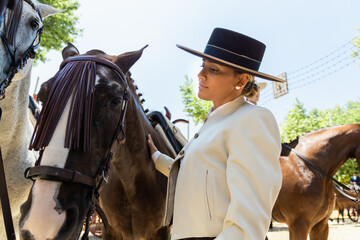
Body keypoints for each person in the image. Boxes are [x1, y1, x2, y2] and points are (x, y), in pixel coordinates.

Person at [147, 28, 284, 240]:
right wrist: (155, 155)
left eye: (213, 69)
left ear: (241, 80)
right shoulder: (213, 123)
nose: (200, 74)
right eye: (203, 66)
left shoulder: (252, 119)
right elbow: (190, 173)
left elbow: (248, 225)